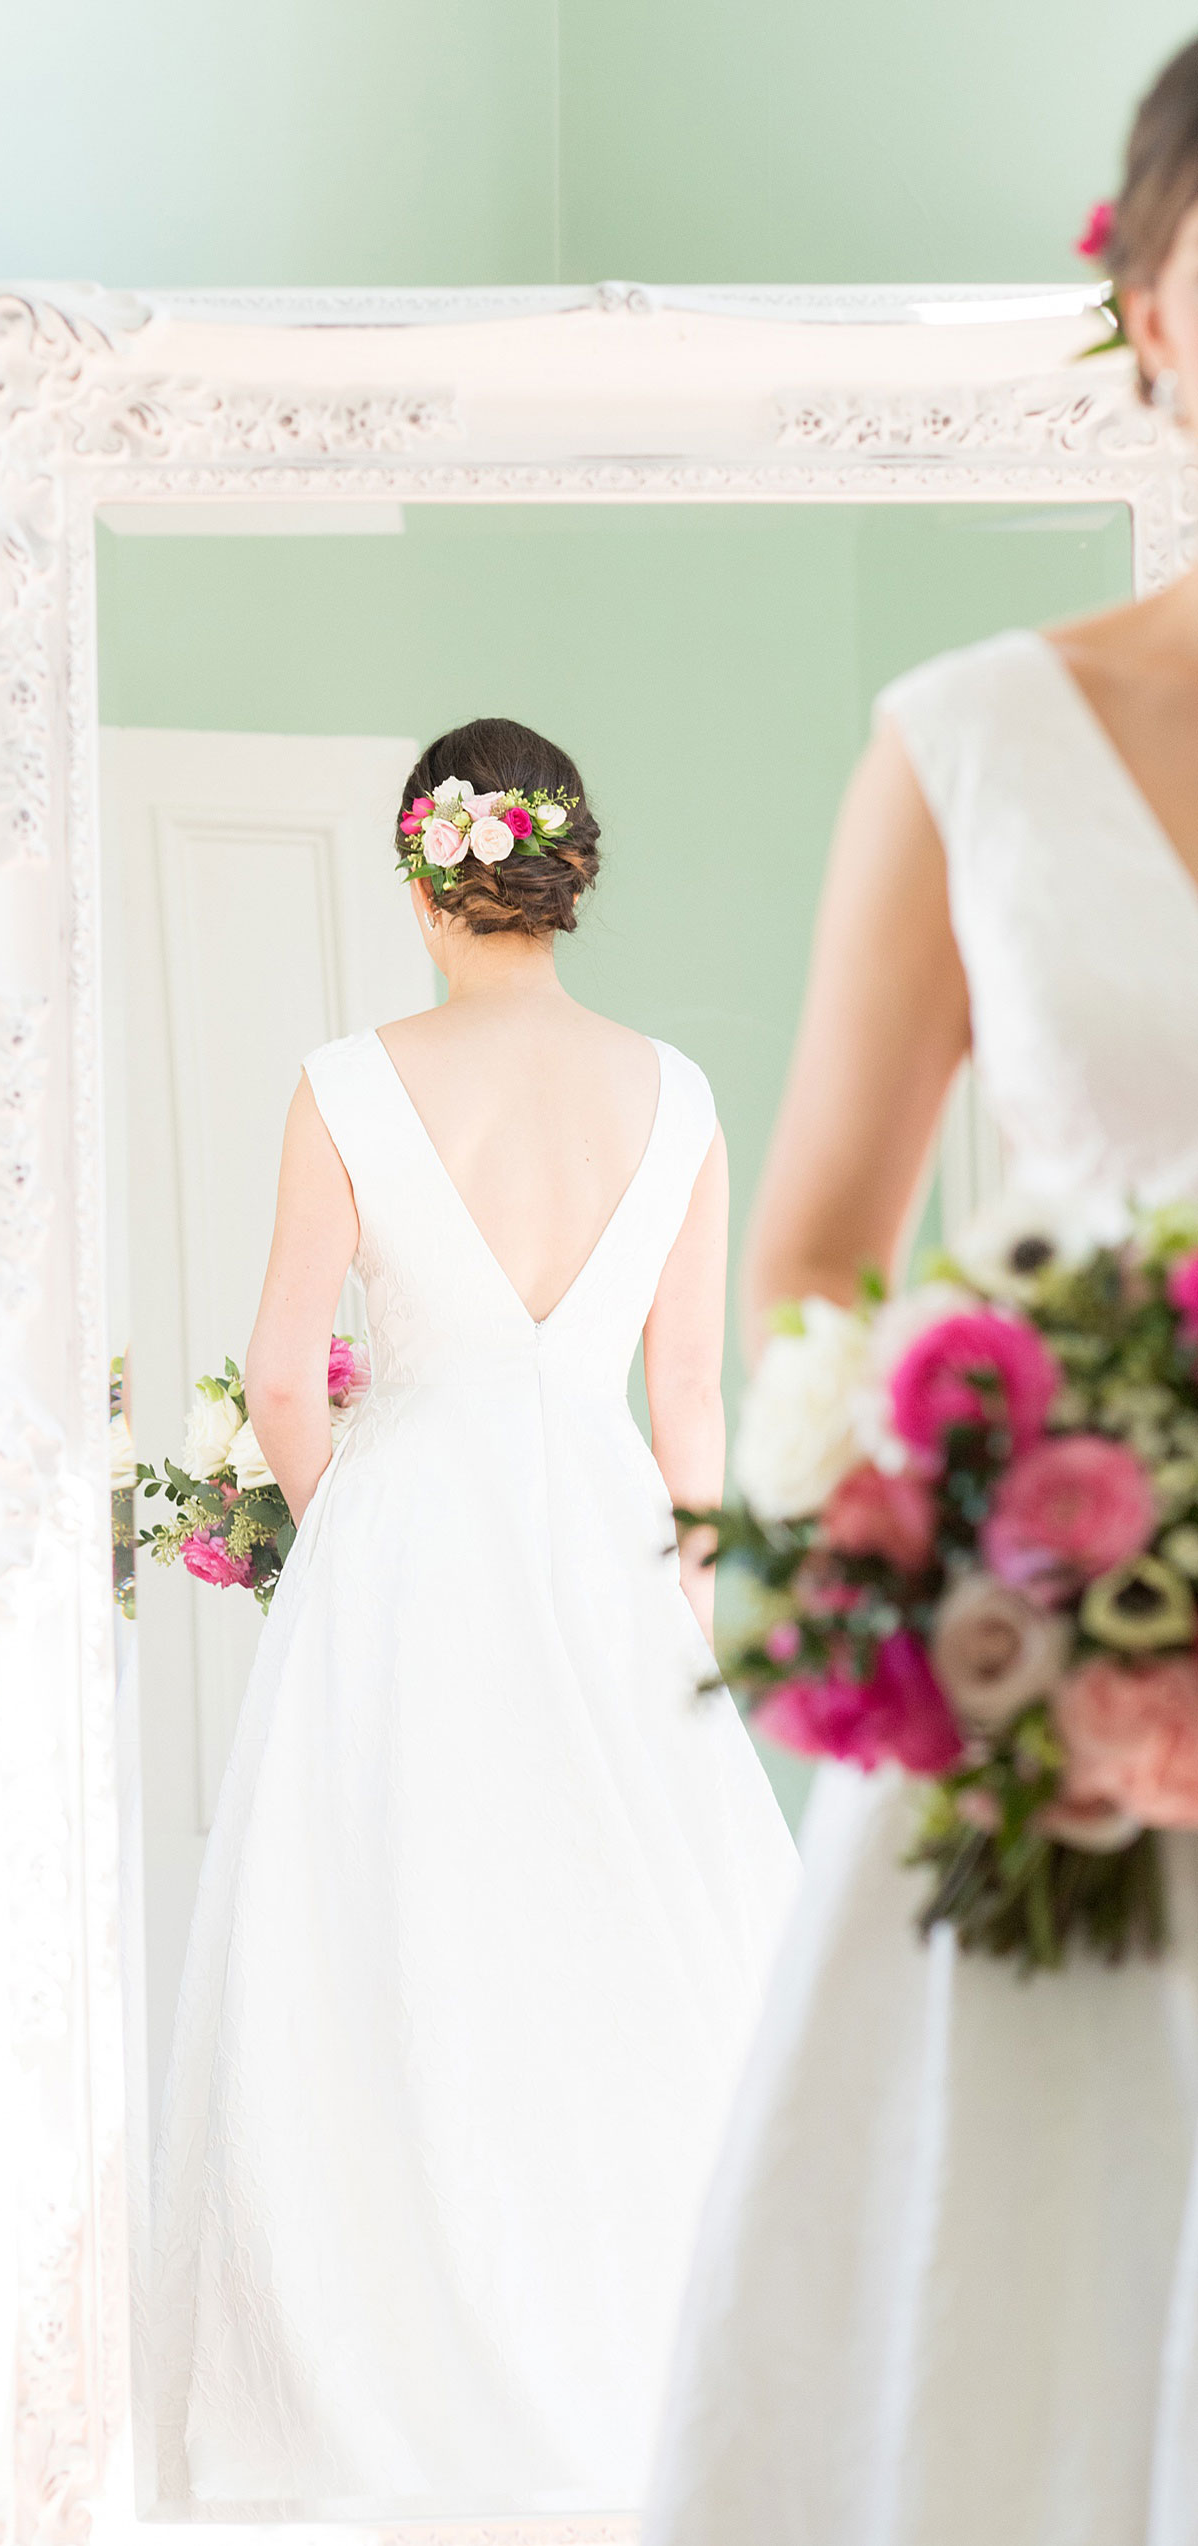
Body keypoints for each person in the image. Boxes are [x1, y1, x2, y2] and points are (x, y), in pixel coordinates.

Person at [646, 42, 1198, 2546]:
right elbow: (814, 1245)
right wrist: (971, 1594)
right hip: (1057, 1687)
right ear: (1149, 312)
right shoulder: (969, 739)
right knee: (1001, 2345)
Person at [145, 716, 797, 2513]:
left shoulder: (346, 1080)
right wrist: (691, 1618)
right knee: (619, 1962)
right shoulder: (677, 1094)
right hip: (607, 1552)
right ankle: (645, 2383)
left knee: (387, 1957)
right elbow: (693, 1402)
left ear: (429, 871)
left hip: (403, 1545)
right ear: (561, 869)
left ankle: (393, 2389)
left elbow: (288, 1381)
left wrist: (351, 1514)